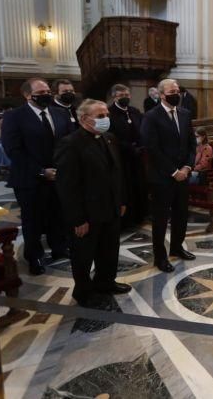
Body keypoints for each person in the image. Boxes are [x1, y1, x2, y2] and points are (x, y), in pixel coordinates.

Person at [55, 99, 131, 306]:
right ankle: (83, 292)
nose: (106, 119)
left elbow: (117, 172)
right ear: (83, 119)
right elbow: (67, 186)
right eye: (100, 116)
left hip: (111, 208)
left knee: (109, 250)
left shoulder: (109, 138)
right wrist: (78, 219)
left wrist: (121, 200)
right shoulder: (71, 143)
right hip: (87, 213)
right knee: (83, 255)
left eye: (106, 115)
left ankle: (106, 282)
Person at [2, 78, 72, 275]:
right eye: (41, 92)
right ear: (27, 95)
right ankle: (34, 257)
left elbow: (68, 143)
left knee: (57, 215)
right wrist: (41, 171)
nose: (46, 95)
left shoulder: (60, 113)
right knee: (32, 220)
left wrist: (63, 168)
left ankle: (59, 247)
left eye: (48, 91)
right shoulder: (15, 117)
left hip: (58, 176)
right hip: (29, 178)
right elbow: (14, 150)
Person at [140, 78, 197, 272]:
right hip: (162, 177)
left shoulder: (185, 113)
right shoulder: (151, 116)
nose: (176, 94)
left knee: (181, 214)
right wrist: (173, 172)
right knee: (161, 219)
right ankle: (160, 257)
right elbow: (152, 149)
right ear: (162, 95)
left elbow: (191, 144)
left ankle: (177, 247)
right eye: (172, 91)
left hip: (183, 174)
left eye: (177, 91)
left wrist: (187, 168)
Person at [108, 84, 147, 226]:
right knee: (126, 187)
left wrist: (141, 145)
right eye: (121, 95)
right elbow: (112, 136)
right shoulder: (109, 113)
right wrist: (129, 148)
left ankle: (140, 216)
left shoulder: (134, 111)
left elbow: (142, 129)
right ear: (114, 96)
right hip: (121, 157)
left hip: (137, 156)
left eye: (126, 95)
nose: (124, 98)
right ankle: (126, 220)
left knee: (139, 185)